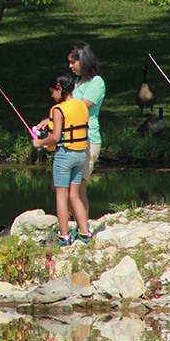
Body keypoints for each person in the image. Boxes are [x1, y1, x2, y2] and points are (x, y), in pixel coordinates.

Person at [33, 72, 92, 246]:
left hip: (65, 156)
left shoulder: (58, 110)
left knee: (61, 196)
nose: (52, 96)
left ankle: (64, 236)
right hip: (81, 154)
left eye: (52, 92)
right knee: (75, 195)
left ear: (59, 88)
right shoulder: (82, 106)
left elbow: (56, 137)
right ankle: (84, 233)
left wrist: (40, 142)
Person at [68, 43, 105, 215]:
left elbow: (80, 108)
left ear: (83, 61)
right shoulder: (75, 83)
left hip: (89, 139)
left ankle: (82, 227)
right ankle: (68, 225)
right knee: (65, 185)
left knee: (79, 187)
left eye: (73, 62)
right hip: (72, 139)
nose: (70, 66)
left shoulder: (96, 83)